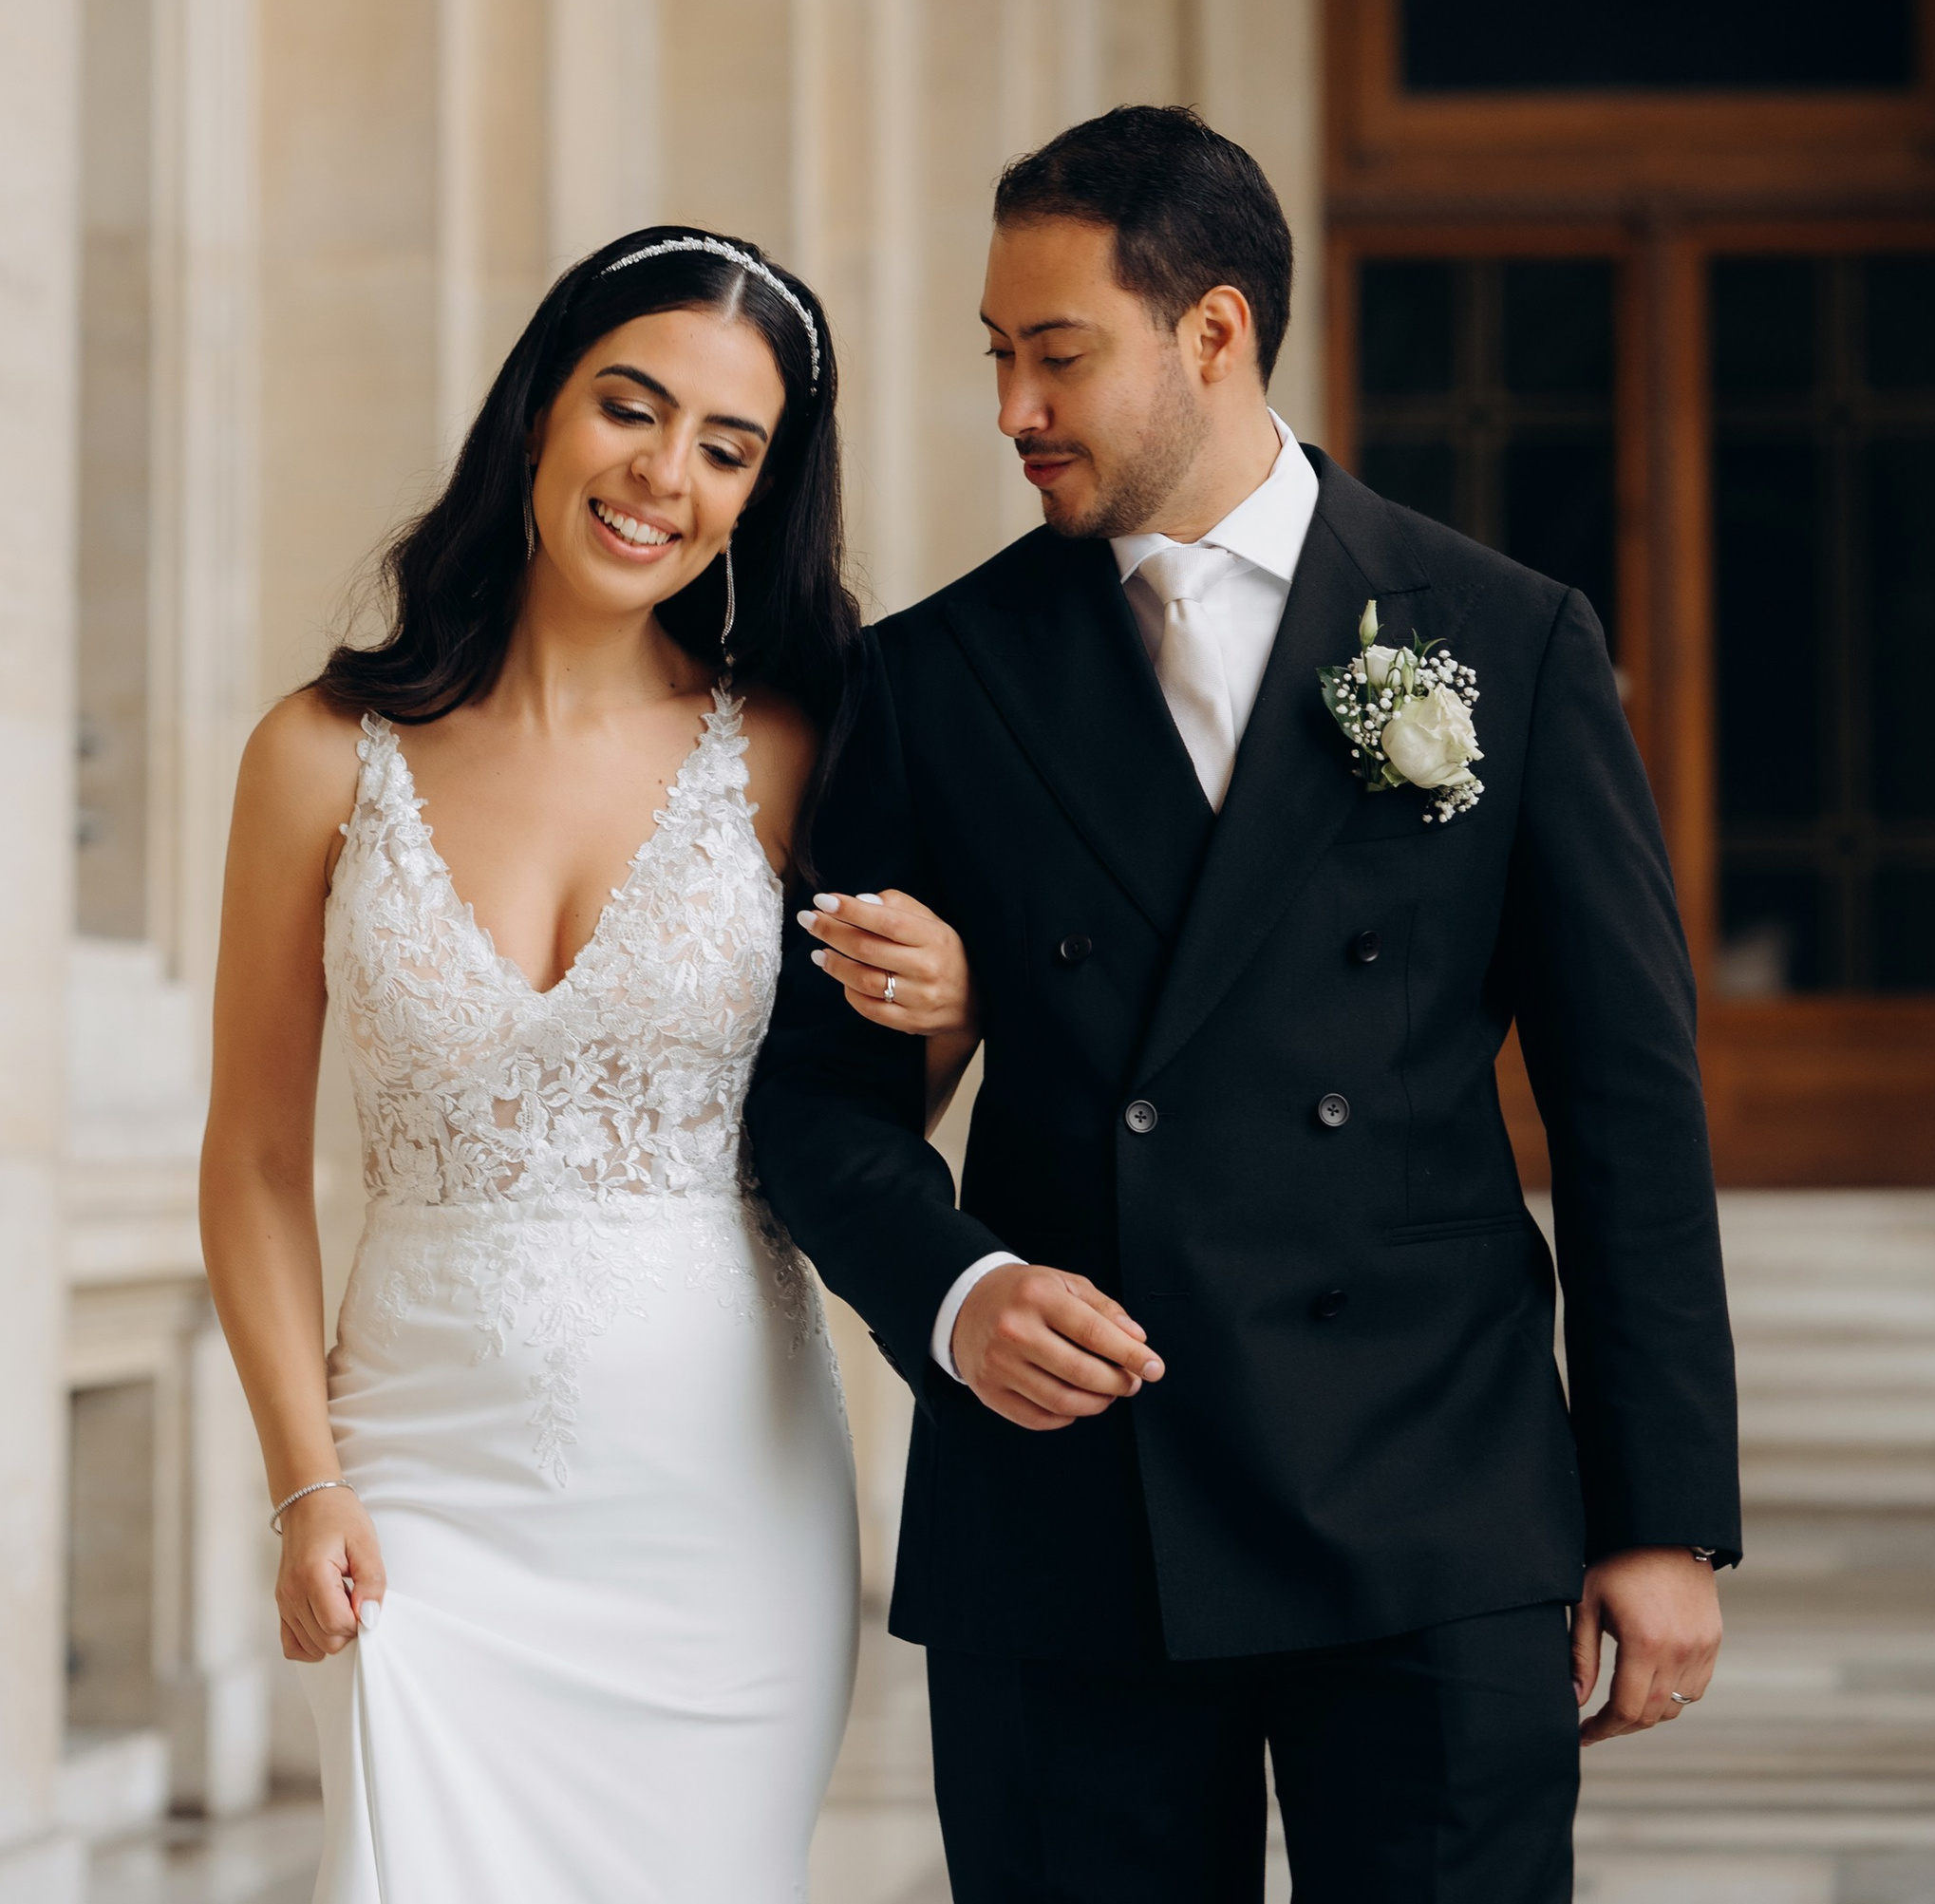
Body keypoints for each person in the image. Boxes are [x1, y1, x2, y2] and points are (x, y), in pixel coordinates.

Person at [748, 106, 1741, 1903]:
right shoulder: (932, 677)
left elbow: (1626, 1107)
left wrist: (1660, 1513)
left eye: (1059, 356)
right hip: (1072, 1511)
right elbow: (812, 1096)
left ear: (1213, 333)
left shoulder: (1503, 640)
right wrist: (959, 1294)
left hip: (1435, 1496)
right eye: (996, 356)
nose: (1012, 410)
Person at [198, 225, 975, 1904]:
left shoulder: (794, 752)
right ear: (543, 407)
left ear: (763, 493)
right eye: (633, 406)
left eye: (727, 447)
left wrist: (955, 1012)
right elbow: (257, 1156)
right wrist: (302, 1484)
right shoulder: (318, 755)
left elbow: (844, 1118)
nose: (663, 474)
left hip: (718, 1501)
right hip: (414, 1485)